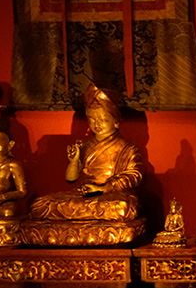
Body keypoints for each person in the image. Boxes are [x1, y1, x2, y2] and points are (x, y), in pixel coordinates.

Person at [29, 83, 142, 222]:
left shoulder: (127, 148)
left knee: (123, 207)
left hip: (110, 194)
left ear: (116, 122)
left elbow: (134, 176)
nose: (97, 124)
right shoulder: (84, 145)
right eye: (92, 119)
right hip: (82, 194)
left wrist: (103, 188)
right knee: (40, 205)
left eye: (103, 119)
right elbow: (71, 179)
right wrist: (74, 161)